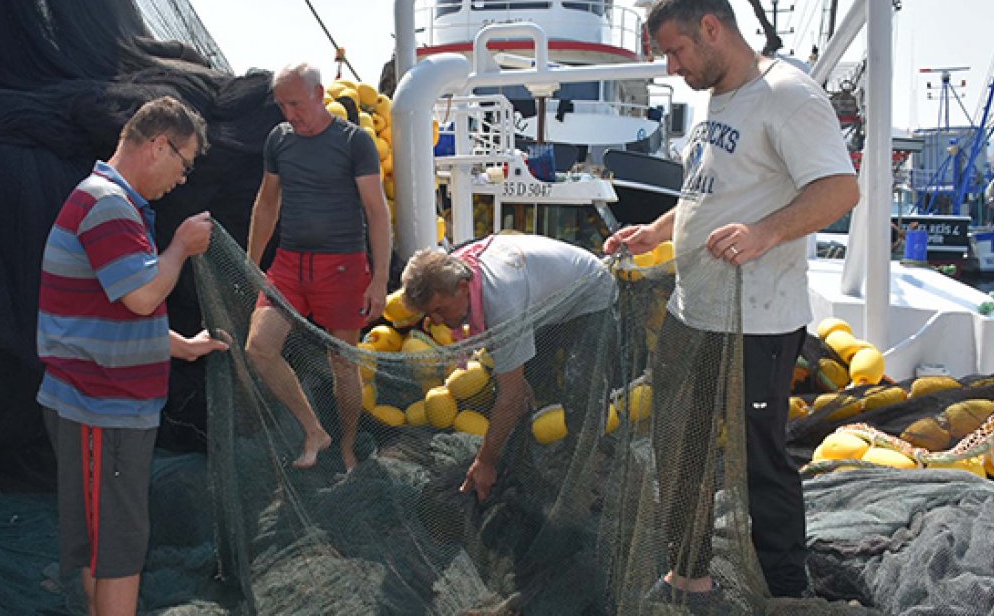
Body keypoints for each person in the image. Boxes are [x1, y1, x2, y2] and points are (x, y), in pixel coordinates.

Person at [603, 0, 859, 602]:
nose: (671, 66)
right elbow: (706, 191)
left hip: (759, 320)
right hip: (695, 311)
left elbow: (839, 189)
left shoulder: (788, 96)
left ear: (712, 29)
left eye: (677, 51)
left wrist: (765, 233)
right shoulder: (718, 96)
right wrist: (656, 231)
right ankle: (689, 574)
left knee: (758, 462)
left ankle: (783, 594)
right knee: (678, 446)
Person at [36, 96, 229, 616]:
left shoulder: (107, 201)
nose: (183, 179)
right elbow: (143, 295)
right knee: (117, 550)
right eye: (184, 163)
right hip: (102, 409)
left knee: (104, 541)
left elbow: (110, 311)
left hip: (101, 409)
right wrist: (180, 247)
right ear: (158, 145)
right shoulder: (108, 205)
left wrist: (182, 346)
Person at [244, 63, 392, 472]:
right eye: (282, 105)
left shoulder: (355, 142)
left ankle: (345, 447)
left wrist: (379, 279)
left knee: (343, 362)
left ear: (318, 94)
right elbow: (267, 202)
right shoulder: (278, 140)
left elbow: (377, 213)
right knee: (259, 347)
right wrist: (251, 263)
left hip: (344, 267)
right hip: (289, 264)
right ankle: (314, 430)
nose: (289, 113)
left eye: (295, 103)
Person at [400, 234, 616, 502]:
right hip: (541, 297)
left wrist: (486, 463)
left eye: (440, 309)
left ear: (463, 287)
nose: (437, 320)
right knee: (522, 384)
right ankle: (526, 458)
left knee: (580, 385)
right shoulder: (453, 267)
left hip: (589, 290)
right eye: (429, 315)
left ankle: (589, 467)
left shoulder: (502, 298)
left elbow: (510, 397)